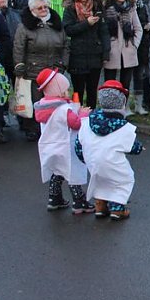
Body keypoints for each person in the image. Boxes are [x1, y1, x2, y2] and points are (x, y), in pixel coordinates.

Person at [76, 80, 144, 220]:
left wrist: (84, 158)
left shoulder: (87, 122)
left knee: (100, 180)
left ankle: (100, 205)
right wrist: (139, 148)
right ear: (121, 103)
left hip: (93, 161)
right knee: (122, 180)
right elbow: (132, 146)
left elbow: (78, 144)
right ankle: (117, 209)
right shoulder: (123, 127)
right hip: (113, 162)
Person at [33, 68, 92, 214]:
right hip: (65, 145)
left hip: (49, 145)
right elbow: (75, 124)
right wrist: (82, 114)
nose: (68, 92)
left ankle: (54, 198)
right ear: (58, 90)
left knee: (57, 171)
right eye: (65, 90)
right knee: (72, 173)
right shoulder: (64, 109)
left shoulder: (42, 106)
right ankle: (79, 202)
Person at [13, 0, 69, 141]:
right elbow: (19, 47)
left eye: (45, 7)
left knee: (54, 101)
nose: (44, 10)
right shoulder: (24, 26)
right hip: (33, 70)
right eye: (40, 7)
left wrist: (63, 63)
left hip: (54, 70)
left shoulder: (57, 25)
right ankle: (32, 129)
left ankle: (52, 128)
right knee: (35, 102)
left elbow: (65, 46)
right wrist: (19, 65)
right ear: (32, 10)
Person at [62, 0, 109, 110]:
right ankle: (76, 114)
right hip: (77, 55)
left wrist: (105, 52)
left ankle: (91, 113)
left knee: (92, 89)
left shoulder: (97, 7)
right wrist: (86, 23)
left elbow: (104, 31)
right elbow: (68, 30)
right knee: (78, 90)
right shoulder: (70, 9)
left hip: (95, 54)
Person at [102, 0, 143, 92]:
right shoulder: (105, 8)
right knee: (109, 83)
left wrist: (135, 45)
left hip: (128, 49)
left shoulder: (130, 7)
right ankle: (109, 106)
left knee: (126, 84)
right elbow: (102, 30)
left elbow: (138, 28)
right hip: (111, 49)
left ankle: (124, 107)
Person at [126, 0, 150, 115]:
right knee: (127, 76)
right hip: (129, 45)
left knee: (140, 75)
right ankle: (125, 106)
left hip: (142, 45)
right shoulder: (126, 7)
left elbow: (145, 21)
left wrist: (147, 25)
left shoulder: (142, 5)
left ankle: (138, 105)